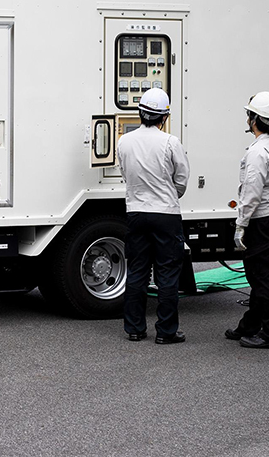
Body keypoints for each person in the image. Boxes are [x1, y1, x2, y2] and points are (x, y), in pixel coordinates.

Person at [117, 87, 190, 345]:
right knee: (167, 273)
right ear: (164, 117)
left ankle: (134, 328)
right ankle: (166, 332)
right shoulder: (170, 142)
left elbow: (125, 174)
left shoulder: (124, 141)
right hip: (165, 214)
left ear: (140, 113)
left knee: (137, 270)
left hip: (136, 212)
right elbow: (182, 179)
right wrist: (169, 194)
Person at [226, 92, 269, 350]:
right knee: (262, 276)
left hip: (260, 221)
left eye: (249, 115)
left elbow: (251, 193)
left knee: (264, 279)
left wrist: (241, 225)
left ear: (254, 120)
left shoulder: (257, 152)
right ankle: (250, 325)